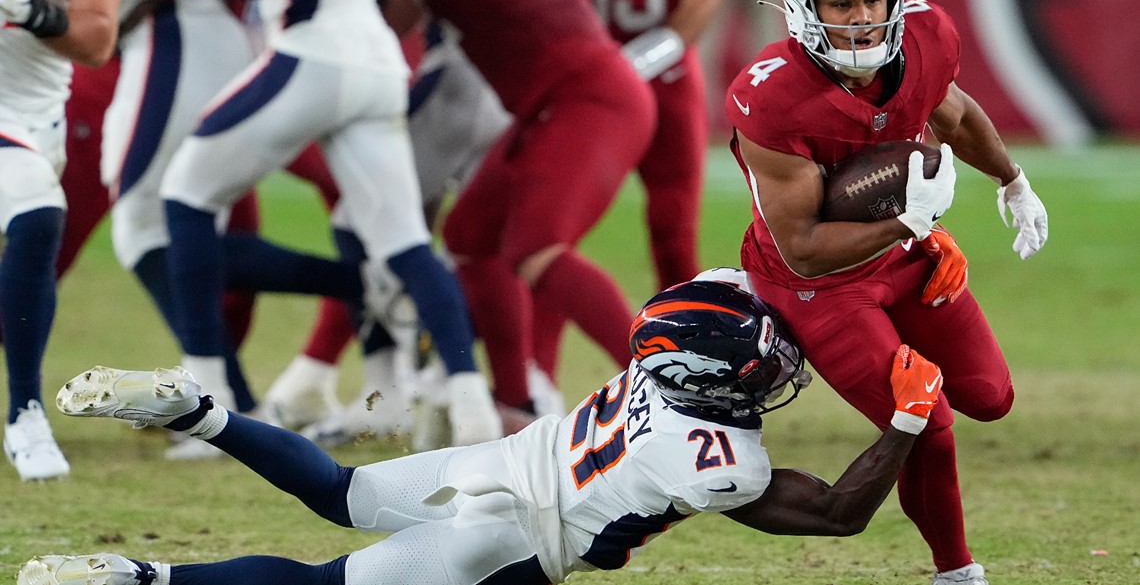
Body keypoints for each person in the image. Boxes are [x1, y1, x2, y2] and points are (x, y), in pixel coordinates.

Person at [21, 277, 944, 585]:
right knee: (321, 584)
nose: (780, 371)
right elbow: (835, 514)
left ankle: (199, 412)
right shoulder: (718, 457)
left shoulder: (670, 338)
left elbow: (747, 289)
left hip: (500, 458)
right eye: (761, 363)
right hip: (506, 542)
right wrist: (906, 417)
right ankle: (138, 577)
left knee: (339, 489)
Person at [723, 0, 1049, 583]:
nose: (862, 17)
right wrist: (909, 222)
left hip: (901, 255)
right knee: (927, 419)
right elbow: (805, 250)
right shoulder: (771, 97)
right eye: (841, 1)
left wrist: (1012, 179)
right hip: (815, 286)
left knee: (990, 397)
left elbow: (950, 112)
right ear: (800, 6)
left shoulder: (926, 37)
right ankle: (955, 572)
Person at [152, 0, 503, 447]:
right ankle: (471, 413)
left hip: (317, 51)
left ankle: (209, 405)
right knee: (402, 242)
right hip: (375, 62)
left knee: (187, 196)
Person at [396, 0, 658, 418]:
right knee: (470, 235)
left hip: (586, 98)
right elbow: (401, 11)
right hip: (552, 102)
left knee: (539, 250)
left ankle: (670, 390)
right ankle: (516, 403)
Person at [525, 0, 736, 406]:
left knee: (673, 235)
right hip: (587, 85)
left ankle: (696, 373)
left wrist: (621, 72)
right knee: (554, 234)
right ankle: (534, 379)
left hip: (664, 82)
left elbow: (696, 13)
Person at [0, 0, 119, 480]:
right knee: (38, 210)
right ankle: (26, 410)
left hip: (39, 120)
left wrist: (29, 9)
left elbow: (97, 40)